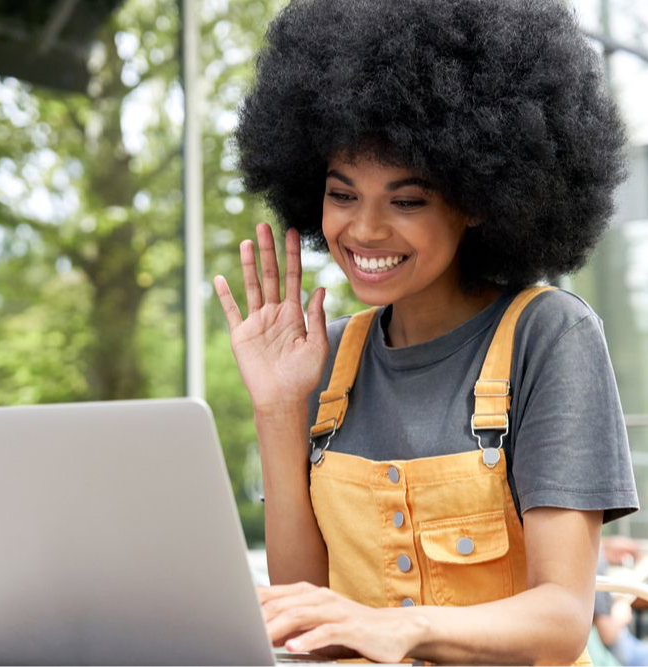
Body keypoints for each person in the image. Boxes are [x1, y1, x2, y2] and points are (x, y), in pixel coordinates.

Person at [213, 0, 640, 664]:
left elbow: (560, 618)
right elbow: (305, 610)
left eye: (406, 200)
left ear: (476, 199)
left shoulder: (547, 334)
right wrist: (276, 405)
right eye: (342, 193)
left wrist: (403, 627)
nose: (364, 230)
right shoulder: (321, 360)